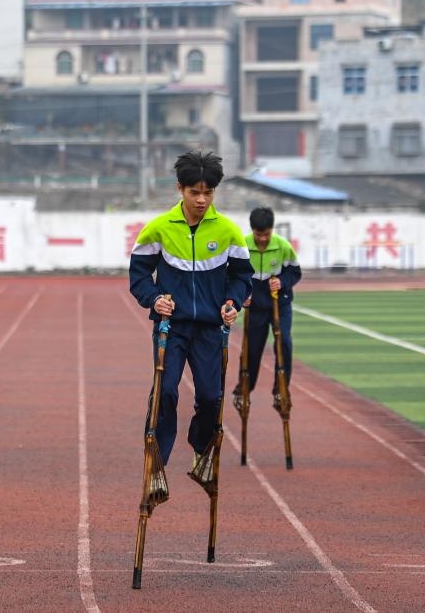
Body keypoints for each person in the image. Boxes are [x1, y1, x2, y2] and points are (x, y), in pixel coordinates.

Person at [129, 150, 253, 469]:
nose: (201, 200)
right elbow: (139, 276)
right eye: (194, 192)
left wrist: (231, 303)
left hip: (210, 330)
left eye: (208, 192)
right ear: (179, 189)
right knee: (166, 392)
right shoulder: (158, 229)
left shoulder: (228, 232)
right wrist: (155, 298)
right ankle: (156, 461)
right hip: (172, 328)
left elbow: (242, 277)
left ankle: (201, 448)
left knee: (212, 397)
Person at [232, 207, 302, 411]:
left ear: (272, 230)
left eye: (266, 234)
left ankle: (281, 389)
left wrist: (282, 281)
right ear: (252, 230)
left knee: (284, 343)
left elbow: (295, 272)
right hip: (255, 305)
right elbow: (234, 274)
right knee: (251, 349)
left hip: (279, 302)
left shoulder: (282, 246)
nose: (262, 239)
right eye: (258, 234)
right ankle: (244, 388)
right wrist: (242, 294)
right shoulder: (243, 246)